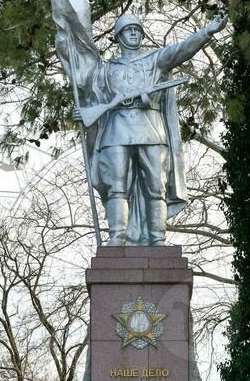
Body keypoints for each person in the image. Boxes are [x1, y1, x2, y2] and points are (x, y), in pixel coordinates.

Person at [73, 14, 227, 245]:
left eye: (137, 29)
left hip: (151, 128)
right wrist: (83, 111)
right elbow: (91, 95)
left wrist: (208, 31)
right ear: (118, 36)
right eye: (128, 30)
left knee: (156, 186)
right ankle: (117, 237)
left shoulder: (155, 60)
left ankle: (157, 239)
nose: (134, 33)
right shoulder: (105, 70)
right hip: (116, 130)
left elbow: (182, 49)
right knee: (117, 186)